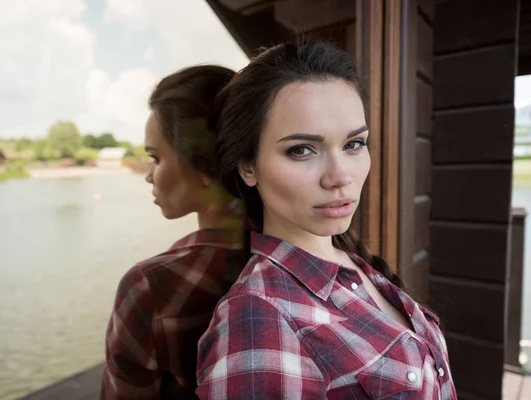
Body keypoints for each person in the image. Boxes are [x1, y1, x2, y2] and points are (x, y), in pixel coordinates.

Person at [196, 41, 457, 399]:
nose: (339, 176)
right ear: (248, 166)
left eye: (353, 144)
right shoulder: (258, 322)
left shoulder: (352, 263)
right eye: (301, 150)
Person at [100, 65, 244, 399]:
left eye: (156, 157)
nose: (149, 175)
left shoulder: (150, 287)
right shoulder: (297, 250)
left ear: (203, 163)